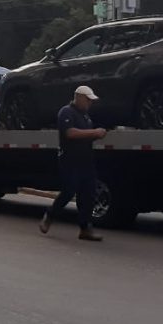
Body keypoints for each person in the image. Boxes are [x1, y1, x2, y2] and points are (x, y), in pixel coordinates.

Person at [39, 85, 106, 242]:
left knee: (88, 194)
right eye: (88, 100)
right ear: (79, 97)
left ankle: (85, 228)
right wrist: (94, 132)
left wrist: (98, 134)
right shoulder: (66, 112)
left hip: (86, 161)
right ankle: (50, 215)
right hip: (70, 161)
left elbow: (85, 136)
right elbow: (70, 133)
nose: (90, 103)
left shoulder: (86, 117)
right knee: (69, 191)